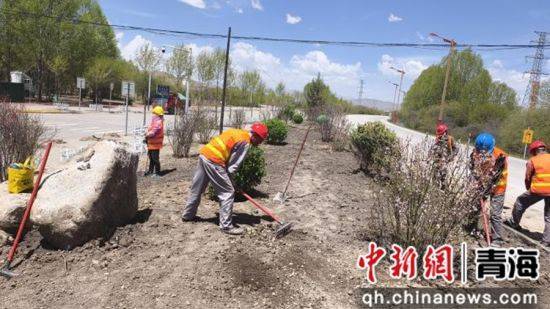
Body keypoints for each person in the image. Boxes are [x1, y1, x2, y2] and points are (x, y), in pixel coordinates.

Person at [182, 122, 269, 235]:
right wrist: (231, 183)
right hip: (215, 161)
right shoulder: (245, 142)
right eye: (260, 140)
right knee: (227, 193)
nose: (259, 143)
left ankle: (187, 215)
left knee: (197, 188)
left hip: (205, 155)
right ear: (255, 136)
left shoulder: (237, 132)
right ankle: (226, 226)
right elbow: (233, 166)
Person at [506, 140, 550, 247]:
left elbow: (528, 178)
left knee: (520, 202)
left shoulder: (532, 160)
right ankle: (546, 241)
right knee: (549, 217)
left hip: (538, 190)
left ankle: (514, 223)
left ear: (534, 151)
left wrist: (528, 189)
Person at [468, 132, 508, 246]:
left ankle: (498, 239)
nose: (482, 154)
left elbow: (495, 177)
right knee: (475, 207)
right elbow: (472, 168)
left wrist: (484, 188)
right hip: (482, 185)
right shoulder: (474, 153)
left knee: (495, 214)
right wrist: (475, 181)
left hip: (498, 187)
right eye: (480, 151)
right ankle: (471, 228)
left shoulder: (501, 156)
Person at [145, 106, 164, 177]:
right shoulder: (155, 121)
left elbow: (154, 131)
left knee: (155, 159)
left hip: (156, 144)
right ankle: (150, 171)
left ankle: (158, 172)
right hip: (151, 143)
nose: (153, 115)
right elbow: (151, 129)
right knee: (151, 158)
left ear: (158, 114)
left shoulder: (158, 122)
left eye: (154, 113)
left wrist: (147, 135)